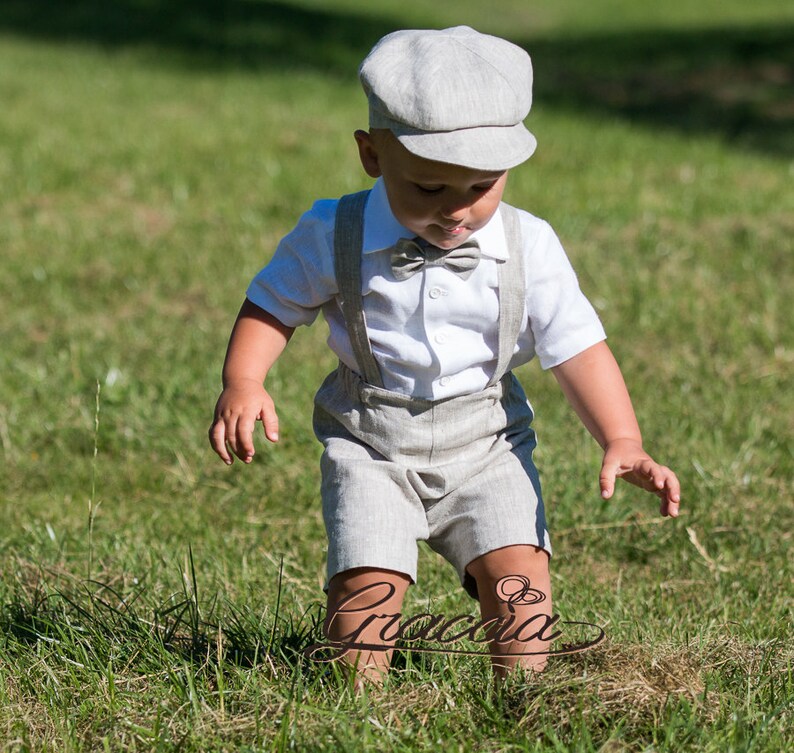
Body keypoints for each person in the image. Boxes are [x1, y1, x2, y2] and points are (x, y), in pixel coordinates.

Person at [209, 26, 680, 686]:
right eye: (429, 189)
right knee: (365, 585)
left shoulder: (529, 245)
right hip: (369, 440)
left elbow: (577, 346)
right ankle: (355, 699)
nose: (456, 212)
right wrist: (243, 378)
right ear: (372, 155)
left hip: (489, 442)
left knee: (519, 575)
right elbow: (272, 304)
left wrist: (622, 437)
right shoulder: (331, 231)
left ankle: (521, 696)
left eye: (481, 187)